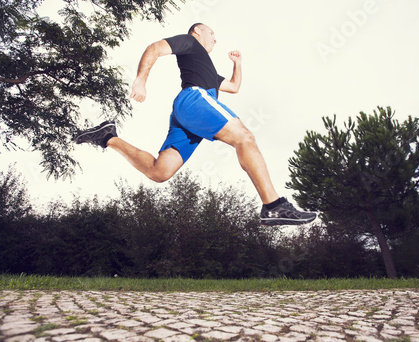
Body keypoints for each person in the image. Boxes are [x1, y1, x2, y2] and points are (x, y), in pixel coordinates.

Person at [74, 23, 316, 226]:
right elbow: (154, 48)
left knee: (160, 171)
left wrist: (238, 64)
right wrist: (140, 80)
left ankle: (108, 137)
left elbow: (233, 87)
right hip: (194, 100)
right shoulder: (189, 42)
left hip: (190, 114)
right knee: (245, 138)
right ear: (198, 31)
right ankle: (273, 205)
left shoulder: (206, 68)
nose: (215, 40)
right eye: (212, 34)